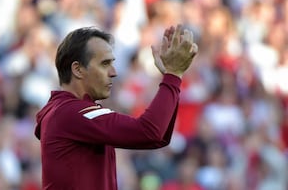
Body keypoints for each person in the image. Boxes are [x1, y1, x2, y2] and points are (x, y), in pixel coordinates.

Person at [34, 25, 198, 190]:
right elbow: (149, 132)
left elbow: (159, 136)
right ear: (77, 69)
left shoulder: (65, 112)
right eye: (105, 64)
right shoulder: (71, 112)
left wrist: (172, 77)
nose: (113, 72)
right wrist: (173, 75)